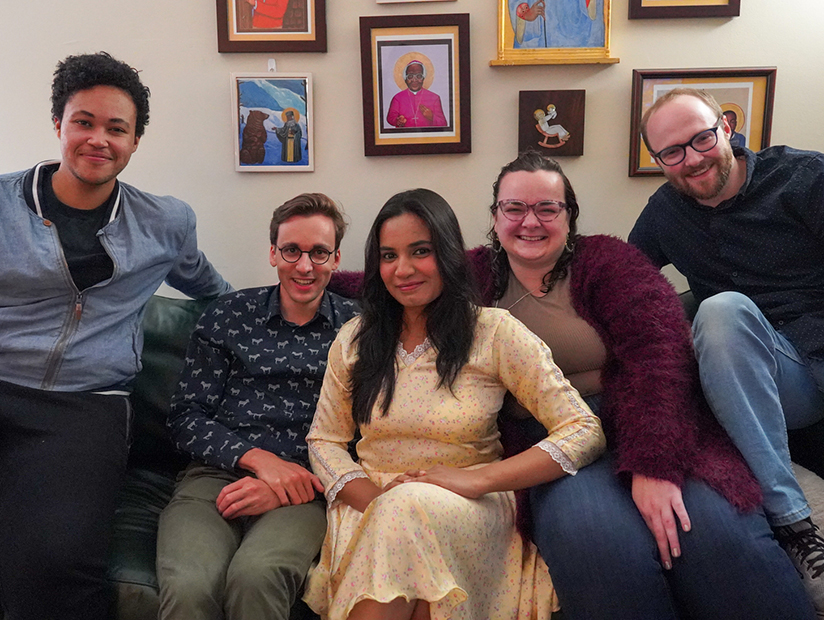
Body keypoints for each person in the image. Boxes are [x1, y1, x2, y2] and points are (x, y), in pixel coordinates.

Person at [466, 150, 817, 619]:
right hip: (553, 446)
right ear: (495, 216)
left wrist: (654, 465)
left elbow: (661, 355)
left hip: (648, 422)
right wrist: (328, 272)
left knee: (718, 531)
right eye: (515, 208)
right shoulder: (468, 277)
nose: (531, 221)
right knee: (593, 539)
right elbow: (392, 281)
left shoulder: (610, 261)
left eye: (548, 208)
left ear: (569, 217)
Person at [0, 52, 231, 620]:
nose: (98, 139)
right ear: (59, 125)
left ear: (134, 142)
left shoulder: (164, 223)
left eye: (116, 128)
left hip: (87, 408)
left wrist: (303, 308)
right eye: (84, 121)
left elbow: (214, 292)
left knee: (59, 564)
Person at [303, 188, 605, 620]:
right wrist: (375, 498)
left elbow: (583, 430)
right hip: (372, 504)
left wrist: (480, 481)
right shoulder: (354, 338)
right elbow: (324, 439)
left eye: (420, 251)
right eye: (388, 256)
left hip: (469, 505)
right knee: (403, 518)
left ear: (446, 253)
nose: (402, 269)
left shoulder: (493, 332)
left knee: (407, 512)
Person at [629, 87, 824, 611]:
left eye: (700, 139)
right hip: (748, 376)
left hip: (813, 361)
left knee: (720, 308)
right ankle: (795, 526)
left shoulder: (805, 178)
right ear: (659, 161)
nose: (691, 159)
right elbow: (624, 283)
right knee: (719, 311)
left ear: (727, 128)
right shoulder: (666, 211)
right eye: (672, 151)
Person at [157, 193, 359, 620]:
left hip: (308, 486)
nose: (305, 266)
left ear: (336, 258)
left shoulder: (358, 328)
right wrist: (261, 462)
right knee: (190, 585)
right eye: (292, 251)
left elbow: (366, 432)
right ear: (273, 254)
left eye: (319, 252)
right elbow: (185, 416)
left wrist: (286, 482)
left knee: (258, 576)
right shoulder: (229, 314)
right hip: (214, 476)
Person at [386, 61, 447, 129]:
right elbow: (390, 118)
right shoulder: (398, 98)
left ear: (423, 78)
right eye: (410, 76)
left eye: (419, 76)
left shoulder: (434, 98)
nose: (414, 80)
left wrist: (432, 117)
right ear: (405, 79)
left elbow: (443, 123)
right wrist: (397, 120)